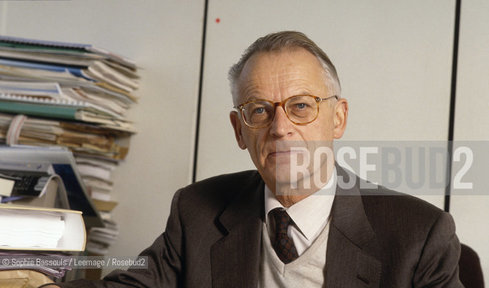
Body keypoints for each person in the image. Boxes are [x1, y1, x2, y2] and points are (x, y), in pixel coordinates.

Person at [43, 31, 463, 287]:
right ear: (239, 130)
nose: (280, 127)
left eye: (301, 106)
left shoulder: (418, 234)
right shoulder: (197, 212)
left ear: (338, 118)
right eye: (260, 110)